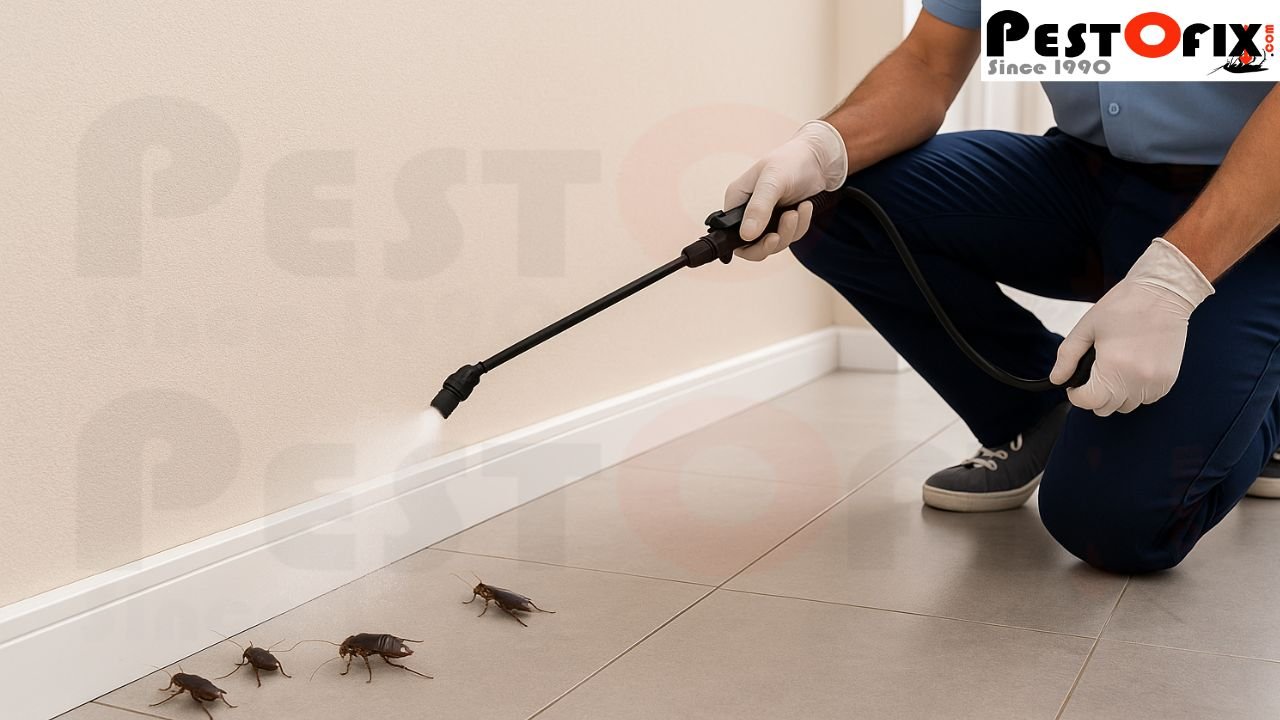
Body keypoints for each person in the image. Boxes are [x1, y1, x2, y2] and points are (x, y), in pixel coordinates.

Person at [727, 1, 1280, 573]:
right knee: (839, 208)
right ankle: (1033, 412)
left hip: (1255, 207)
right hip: (1088, 174)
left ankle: (1265, 384)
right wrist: (819, 150)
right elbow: (927, 62)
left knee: (1112, 526)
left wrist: (1175, 277)